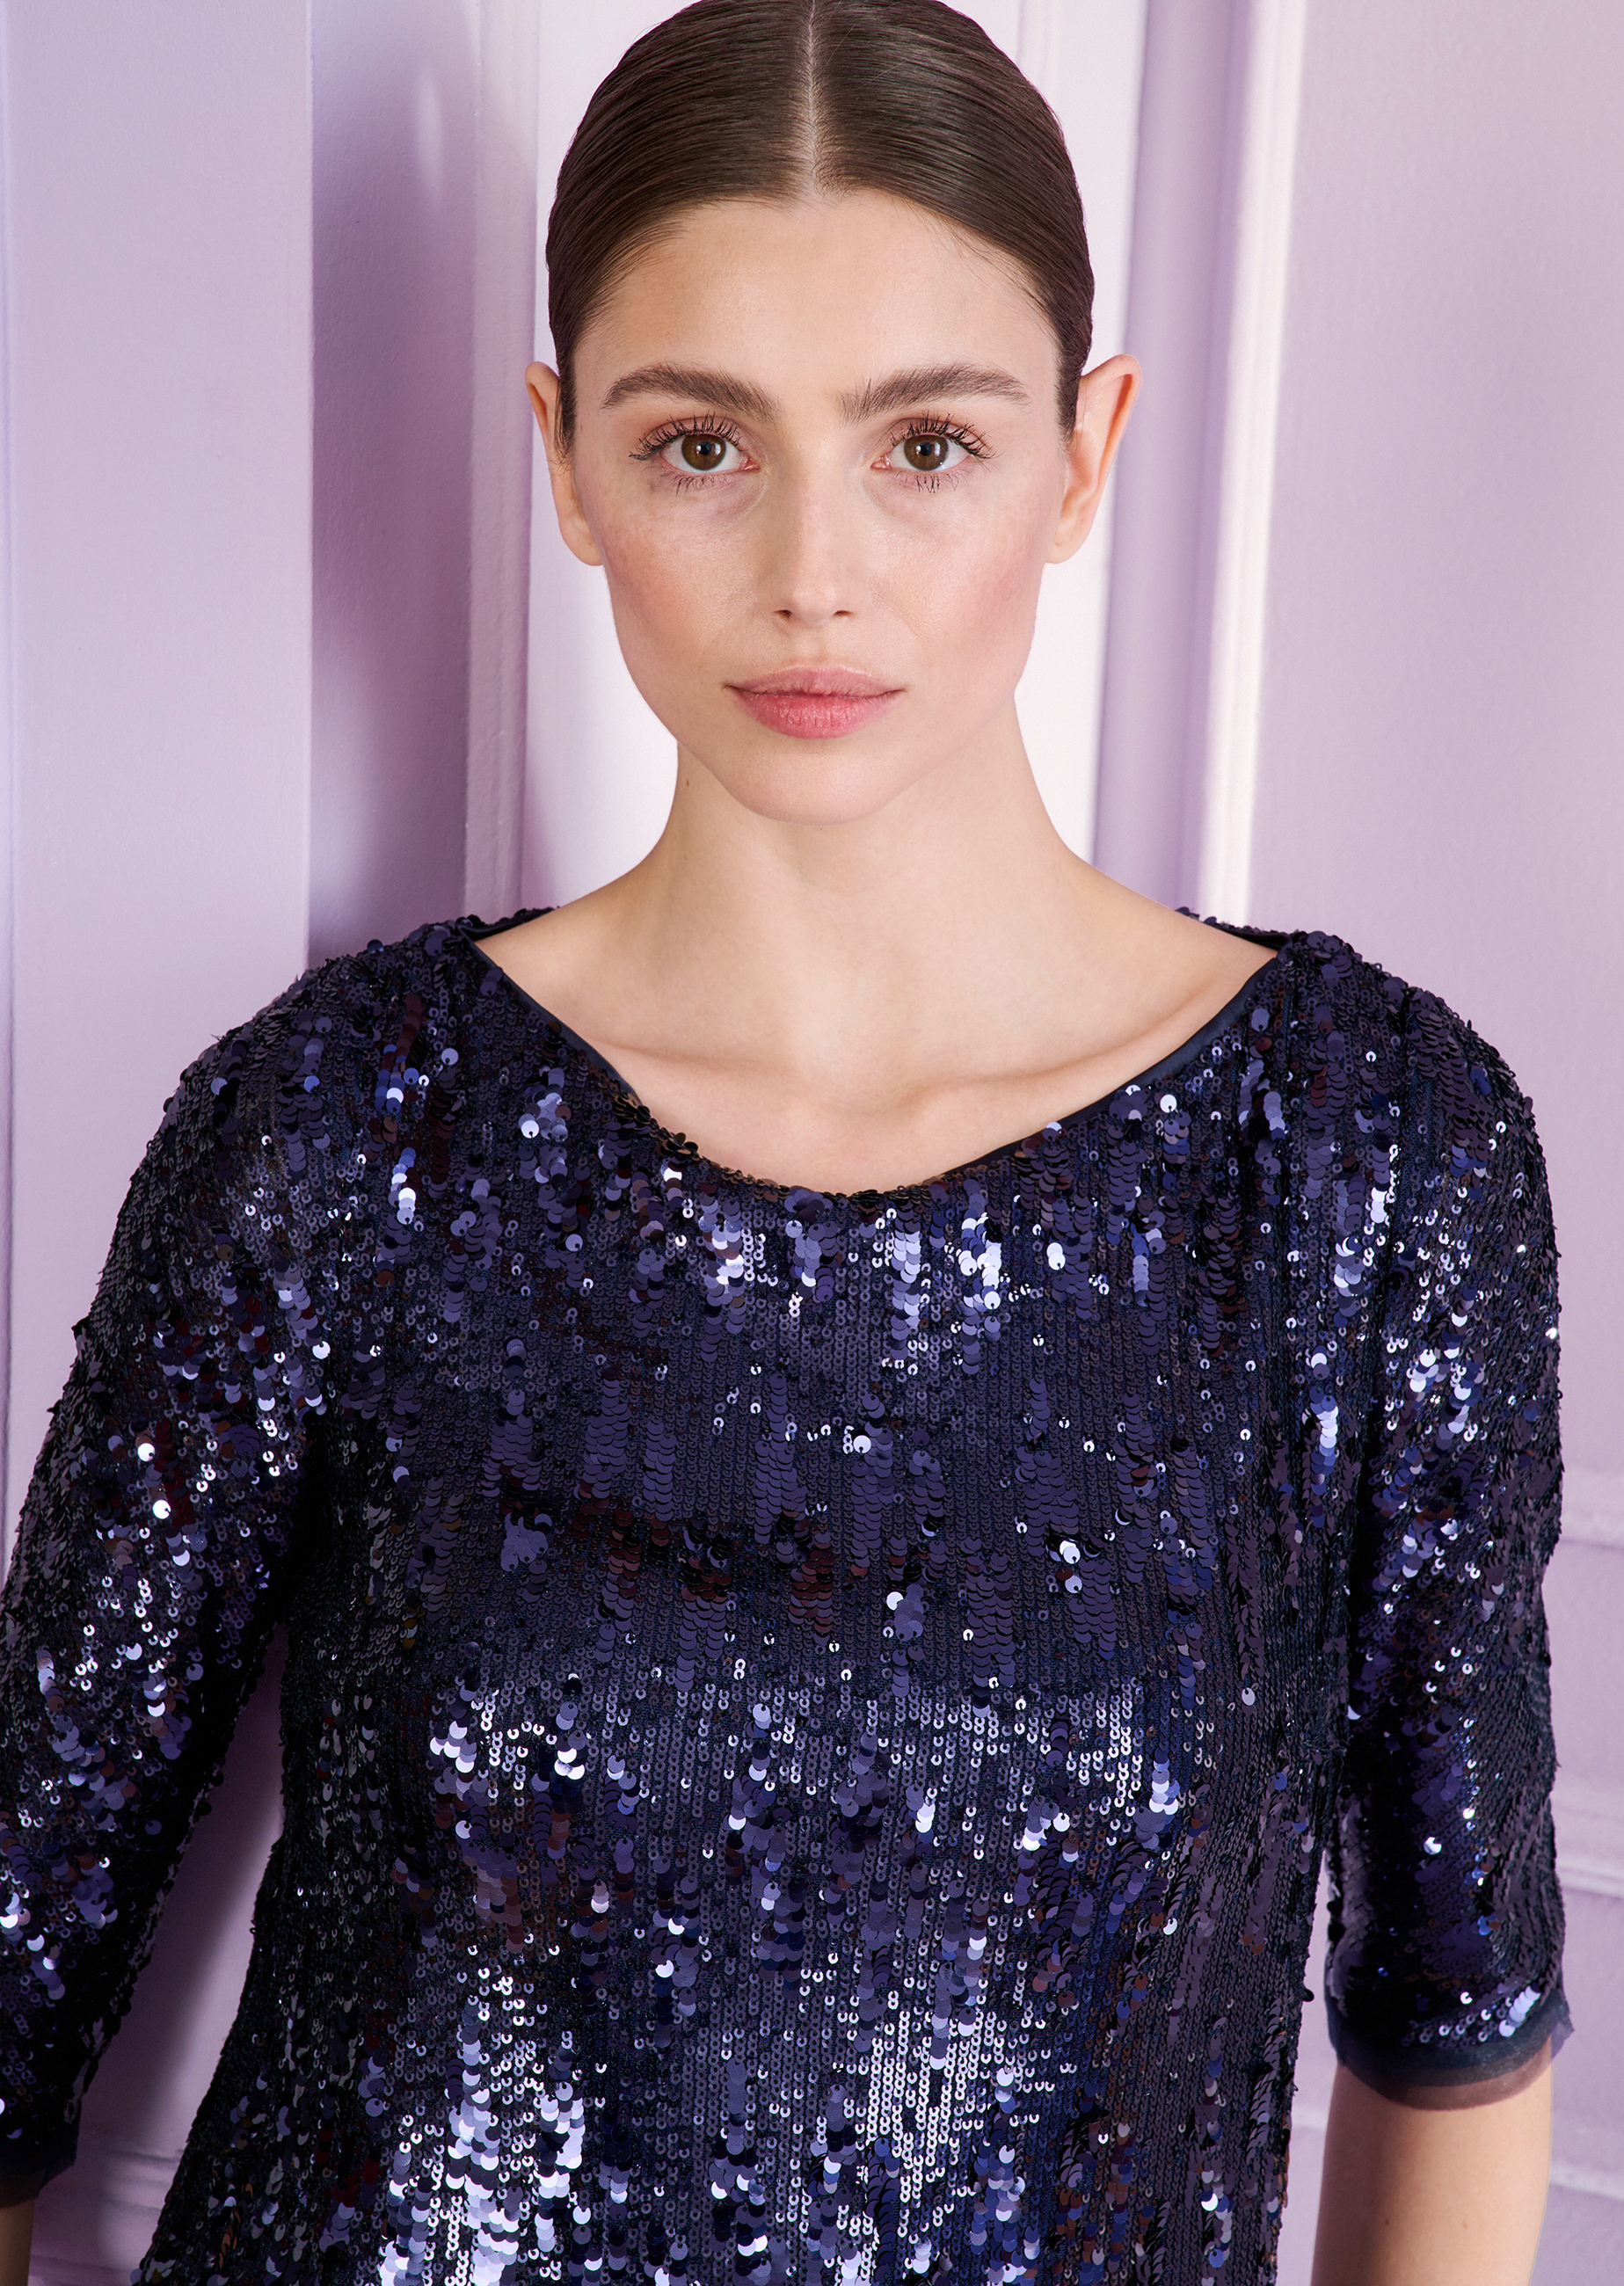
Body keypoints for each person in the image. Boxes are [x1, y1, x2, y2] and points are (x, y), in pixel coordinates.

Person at [0, 4, 1569, 2282]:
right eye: (701, 445)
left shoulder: (1366, 1153)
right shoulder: (343, 1129)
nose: (813, 572)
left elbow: (1460, 2021)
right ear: (567, 463)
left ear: (1086, 454)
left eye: (925, 444)